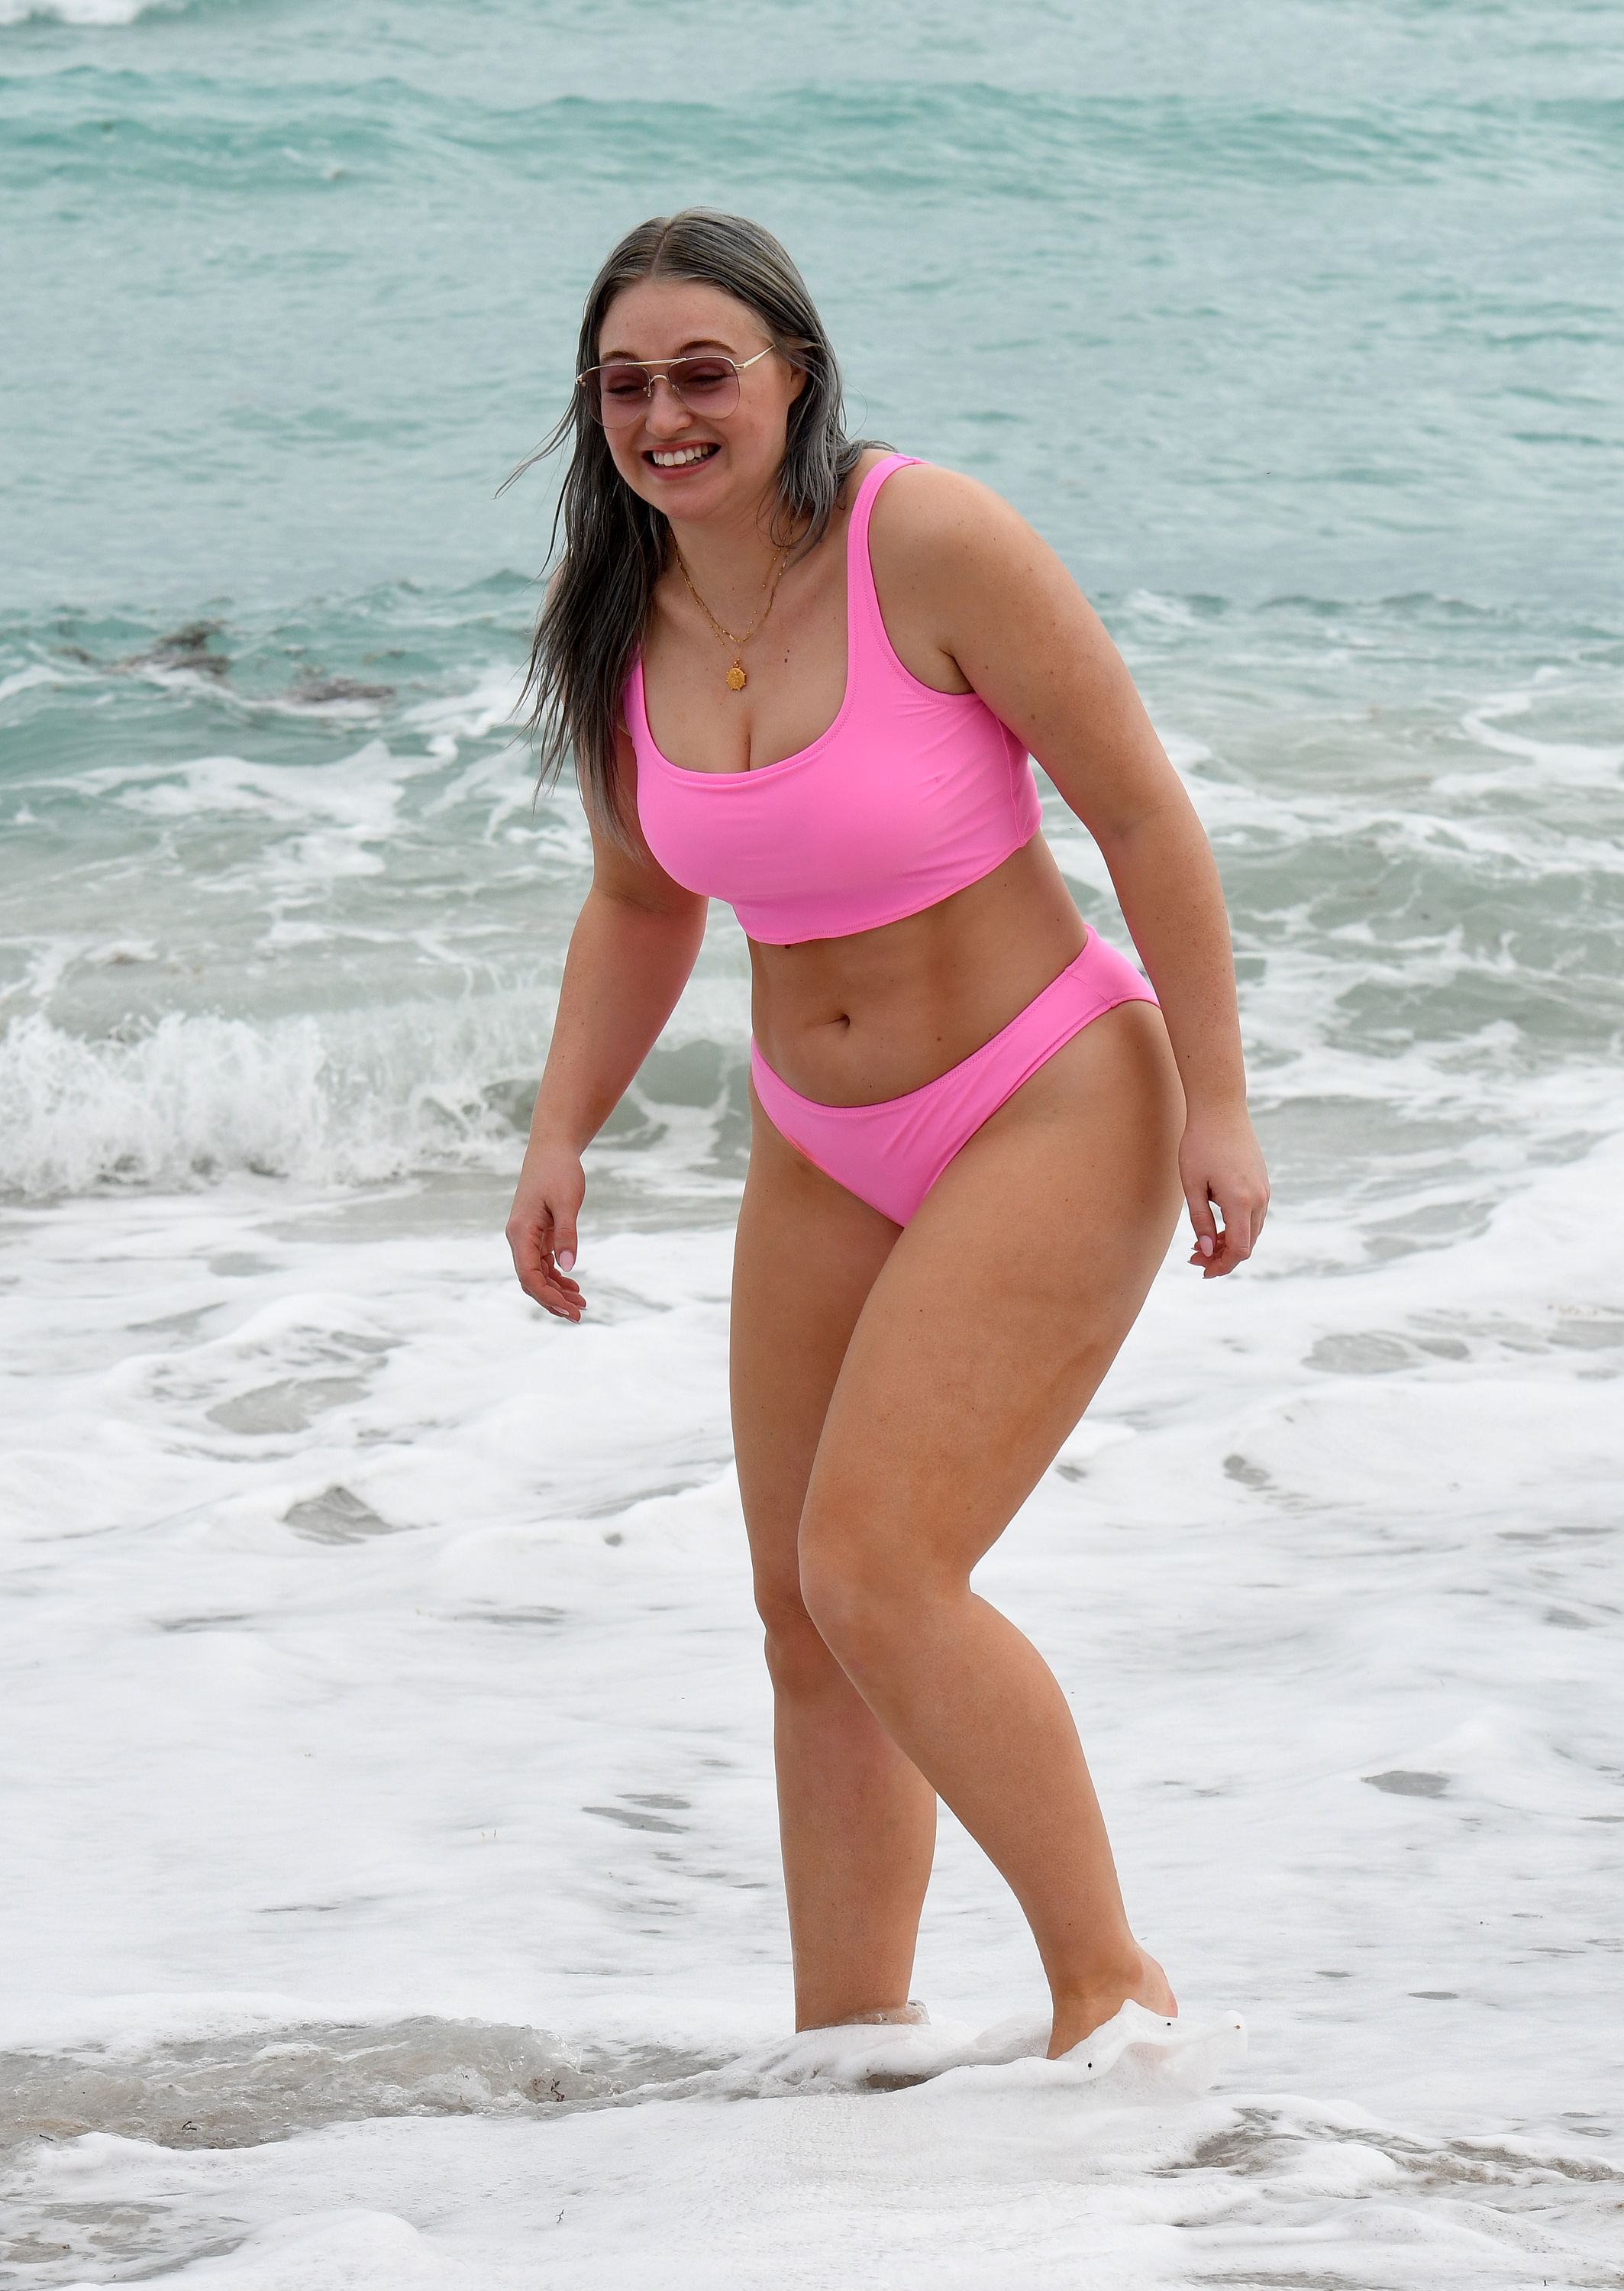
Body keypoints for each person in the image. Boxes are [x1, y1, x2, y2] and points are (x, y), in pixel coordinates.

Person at [505, 210, 1268, 2060]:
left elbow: (1143, 817)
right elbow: (635, 902)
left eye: (704, 372)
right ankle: (850, 2055)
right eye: (626, 383)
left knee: (876, 1569)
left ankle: (1115, 1994)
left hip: (1050, 1091)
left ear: (792, 377)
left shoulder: (916, 538)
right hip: (816, 1135)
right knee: (796, 1618)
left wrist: (1222, 1104)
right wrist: (557, 1133)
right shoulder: (614, 619)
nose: (664, 413)